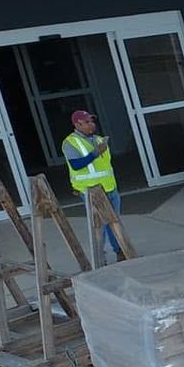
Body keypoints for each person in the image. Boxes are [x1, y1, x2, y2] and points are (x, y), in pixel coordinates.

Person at [61, 110, 121, 260]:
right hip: (91, 191)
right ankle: (100, 258)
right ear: (77, 124)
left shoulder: (99, 140)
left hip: (109, 188)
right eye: (87, 122)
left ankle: (120, 251)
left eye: (92, 121)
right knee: (100, 225)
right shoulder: (70, 142)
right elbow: (76, 165)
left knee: (114, 222)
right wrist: (95, 153)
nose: (91, 125)